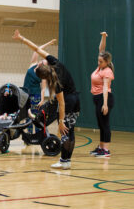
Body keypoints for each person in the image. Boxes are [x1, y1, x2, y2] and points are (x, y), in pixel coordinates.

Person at [13, 30, 80, 170]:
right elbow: (37, 49)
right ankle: (65, 160)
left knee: (65, 131)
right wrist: (22, 38)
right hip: (74, 99)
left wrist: (61, 122)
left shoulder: (57, 82)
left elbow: (61, 104)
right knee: (70, 132)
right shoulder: (54, 62)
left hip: (68, 102)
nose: (37, 63)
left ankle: (65, 161)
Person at [90, 32, 114, 158]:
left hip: (104, 98)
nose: (98, 63)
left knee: (105, 124)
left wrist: (105, 104)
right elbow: (101, 49)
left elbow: (105, 88)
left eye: (100, 61)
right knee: (101, 124)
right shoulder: (100, 68)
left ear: (106, 62)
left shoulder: (107, 71)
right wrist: (103, 37)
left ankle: (106, 150)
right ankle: (101, 147)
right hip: (98, 98)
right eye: (98, 60)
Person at [23, 40, 55, 134]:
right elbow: (37, 50)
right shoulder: (33, 64)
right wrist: (48, 43)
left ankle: (38, 134)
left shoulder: (43, 75)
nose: (41, 61)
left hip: (35, 96)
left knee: (35, 115)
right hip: (26, 94)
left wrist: (42, 100)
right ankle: (28, 135)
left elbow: (43, 89)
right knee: (27, 115)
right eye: (41, 60)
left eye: (43, 62)